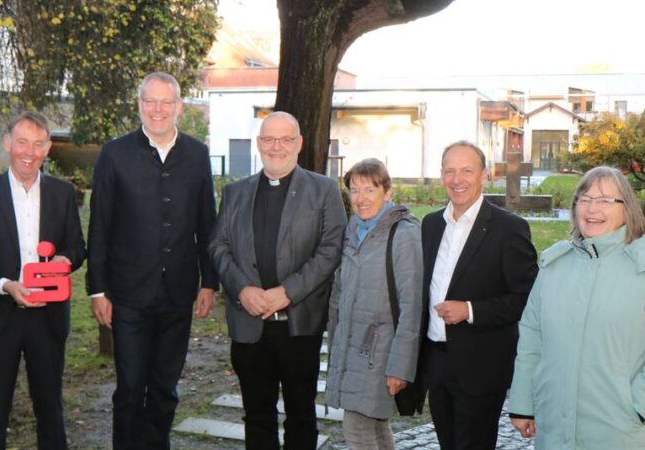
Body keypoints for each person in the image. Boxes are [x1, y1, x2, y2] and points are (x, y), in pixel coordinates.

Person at [86, 71, 218, 449]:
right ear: (140, 105)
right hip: (127, 293)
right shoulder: (115, 153)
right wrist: (97, 289)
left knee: (165, 389)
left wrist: (208, 281)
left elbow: (206, 221)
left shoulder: (197, 154)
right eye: (150, 101)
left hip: (177, 293)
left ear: (179, 106)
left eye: (166, 102)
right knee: (129, 388)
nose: (158, 109)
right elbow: (100, 225)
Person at [208, 111, 347, 450]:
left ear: (299, 144)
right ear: (259, 144)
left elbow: (331, 249)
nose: (277, 147)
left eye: (285, 139)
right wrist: (242, 289)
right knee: (256, 415)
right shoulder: (235, 192)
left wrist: (288, 292)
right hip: (249, 323)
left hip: (298, 325)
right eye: (269, 139)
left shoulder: (324, 189)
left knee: (301, 415)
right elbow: (218, 245)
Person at [0, 111, 87, 450]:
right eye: (21, 143)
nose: (29, 153)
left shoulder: (63, 193)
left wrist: (66, 259)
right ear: (7, 144)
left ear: (48, 148)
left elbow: (77, 246)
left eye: (38, 144)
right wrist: (7, 285)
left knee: (51, 410)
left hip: (47, 317)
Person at [508, 166, 645, 449]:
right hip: (554, 425)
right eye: (585, 198)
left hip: (619, 431)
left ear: (627, 209)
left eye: (606, 200)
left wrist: (639, 407)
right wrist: (523, 403)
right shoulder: (554, 266)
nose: (593, 208)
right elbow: (532, 336)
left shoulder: (641, 267)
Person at [420, 141, 538, 450]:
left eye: (467, 171)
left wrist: (470, 310)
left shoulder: (508, 228)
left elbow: (526, 297)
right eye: (450, 171)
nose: (457, 180)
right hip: (437, 361)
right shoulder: (431, 225)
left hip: (481, 366)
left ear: (484, 175)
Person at [324, 158, 423, 450]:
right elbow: (341, 291)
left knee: (357, 430)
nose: (361, 198)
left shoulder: (403, 234)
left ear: (387, 191)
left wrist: (400, 367)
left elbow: (412, 305)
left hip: (381, 352)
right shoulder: (353, 229)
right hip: (350, 347)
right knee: (376, 427)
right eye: (354, 190)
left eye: (369, 190)